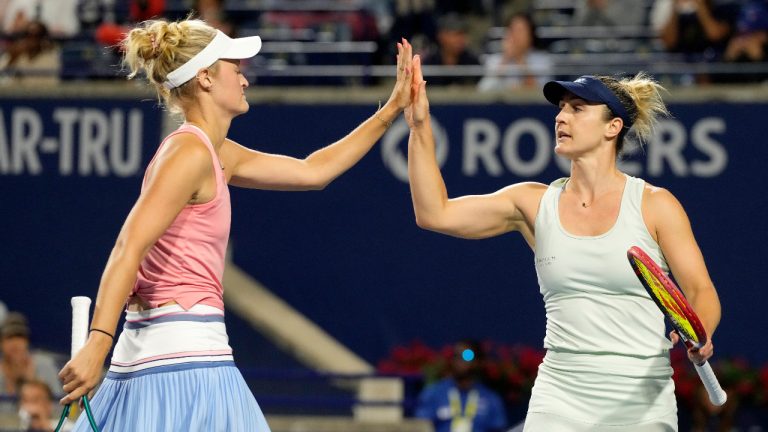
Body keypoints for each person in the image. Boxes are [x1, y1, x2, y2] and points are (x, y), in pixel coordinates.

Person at [56, 17, 414, 431]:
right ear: (205, 78)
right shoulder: (188, 154)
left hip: (180, 356)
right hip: (182, 365)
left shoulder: (214, 152)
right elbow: (128, 246)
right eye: (235, 69)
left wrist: (392, 109)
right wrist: (97, 344)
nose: (245, 80)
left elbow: (313, 171)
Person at [404, 58, 722, 430]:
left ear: (613, 127)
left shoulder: (655, 205)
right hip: (559, 401)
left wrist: (700, 331)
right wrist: (419, 125)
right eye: (561, 108)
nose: (561, 117)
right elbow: (434, 213)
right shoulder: (532, 203)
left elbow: (700, 290)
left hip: (642, 405)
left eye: (577, 108)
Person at [415, 340, 508, 432]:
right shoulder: (433, 394)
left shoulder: (491, 399)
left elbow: (498, 428)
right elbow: (420, 426)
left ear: (478, 362)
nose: (459, 360)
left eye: (467, 355)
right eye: (456, 356)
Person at [477, 13, 553, 92]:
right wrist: (505, 60)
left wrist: (520, 59)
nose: (515, 35)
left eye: (520, 30)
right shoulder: (494, 60)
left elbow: (541, 93)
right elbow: (483, 90)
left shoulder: (543, 60)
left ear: (531, 35)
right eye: (512, 30)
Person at [0, 312, 62, 401]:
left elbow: (57, 403)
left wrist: (32, 382)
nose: (16, 343)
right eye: (10, 338)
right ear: (1, 343)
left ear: (27, 341)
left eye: (20, 337)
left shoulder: (45, 365)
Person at [421, 13, 480, 86]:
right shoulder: (429, 64)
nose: (460, 39)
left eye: (463, 34)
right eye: (456, 34)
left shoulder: (473, 63)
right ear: (441, 36)